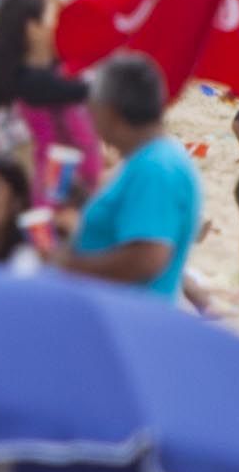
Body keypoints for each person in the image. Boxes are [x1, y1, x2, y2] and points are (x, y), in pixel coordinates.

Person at [50, 51, 202, 293]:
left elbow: (147, 257)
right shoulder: (148, 159)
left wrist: (69, 267)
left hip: (133, 313)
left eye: (92, 109)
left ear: (110, 111)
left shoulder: (157, 167)